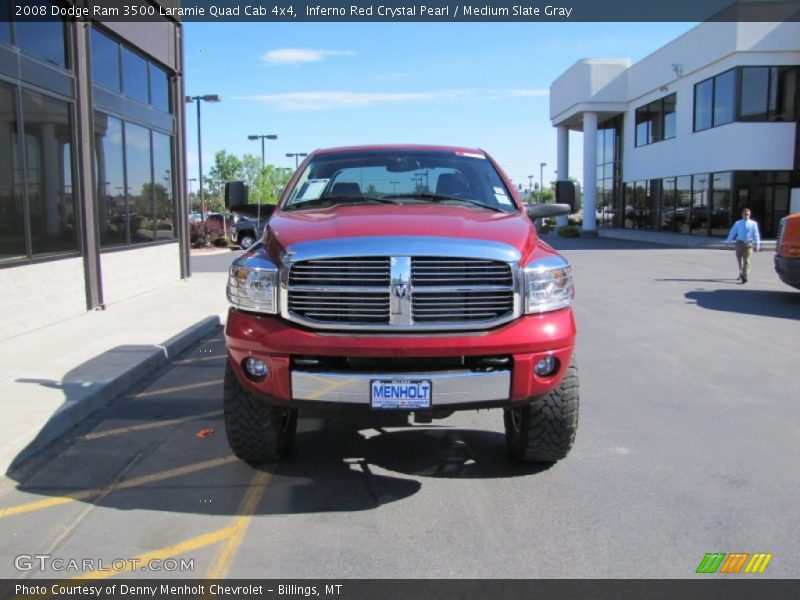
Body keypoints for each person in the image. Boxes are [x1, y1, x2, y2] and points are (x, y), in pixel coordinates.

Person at [725, 207, 761, 283]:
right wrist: (728, 241)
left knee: (747, 261)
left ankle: (745, 276)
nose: (746, 216)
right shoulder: (738, 223)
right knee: (740, 259)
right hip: (739, 243)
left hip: (749, 244)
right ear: (742, 215)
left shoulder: (753, 224)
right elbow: (732, 233)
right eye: (745, 214)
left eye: (748, 214)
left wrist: (757, 245)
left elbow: (756, 234)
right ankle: (741, 272)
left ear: (750, 215)